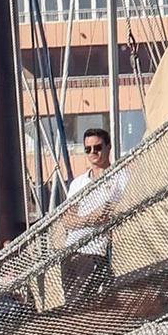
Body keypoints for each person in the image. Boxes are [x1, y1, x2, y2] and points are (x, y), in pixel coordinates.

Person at [62, 128, 126, 302]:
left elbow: (109, 211)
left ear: (108, 147)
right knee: (71, 303)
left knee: (84, 303)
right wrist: (91, 218)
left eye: (97, 147)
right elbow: (67, 220)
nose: (93, 153)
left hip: (95, 252)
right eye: (88, 149)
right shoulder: (78, 183)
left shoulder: (119, 177)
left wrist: (82, 219)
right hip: (71, 251)